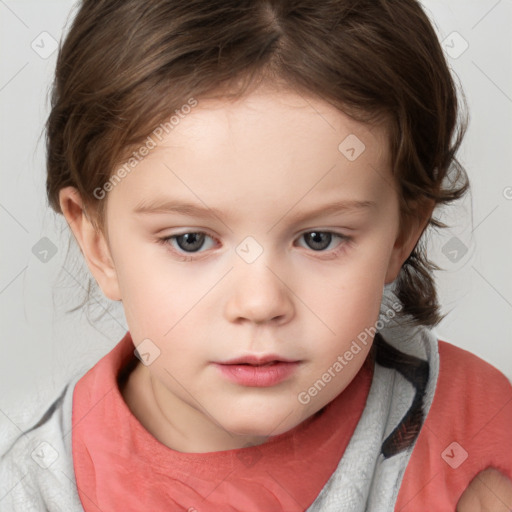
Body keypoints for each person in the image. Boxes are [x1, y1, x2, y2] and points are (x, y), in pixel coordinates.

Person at [1, 0, 511, 510]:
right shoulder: (36, 490)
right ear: (99, 244)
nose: (260, 302)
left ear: (402, 233)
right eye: (191, 241)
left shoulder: (470, 437)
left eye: (319, 239)